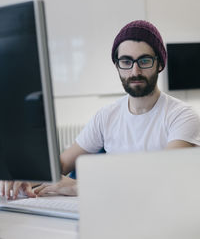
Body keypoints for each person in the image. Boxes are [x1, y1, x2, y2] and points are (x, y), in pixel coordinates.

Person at [1, 20, 200, 199]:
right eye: (126, 61)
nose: (135, 71)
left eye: (145, 61)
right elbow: (59, 166)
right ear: (117, 65)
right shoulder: (107, 116)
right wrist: (28, 177)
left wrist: (81, 187)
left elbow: (163, 180)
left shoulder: (182, 116)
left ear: (160, 64)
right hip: (114, 210)